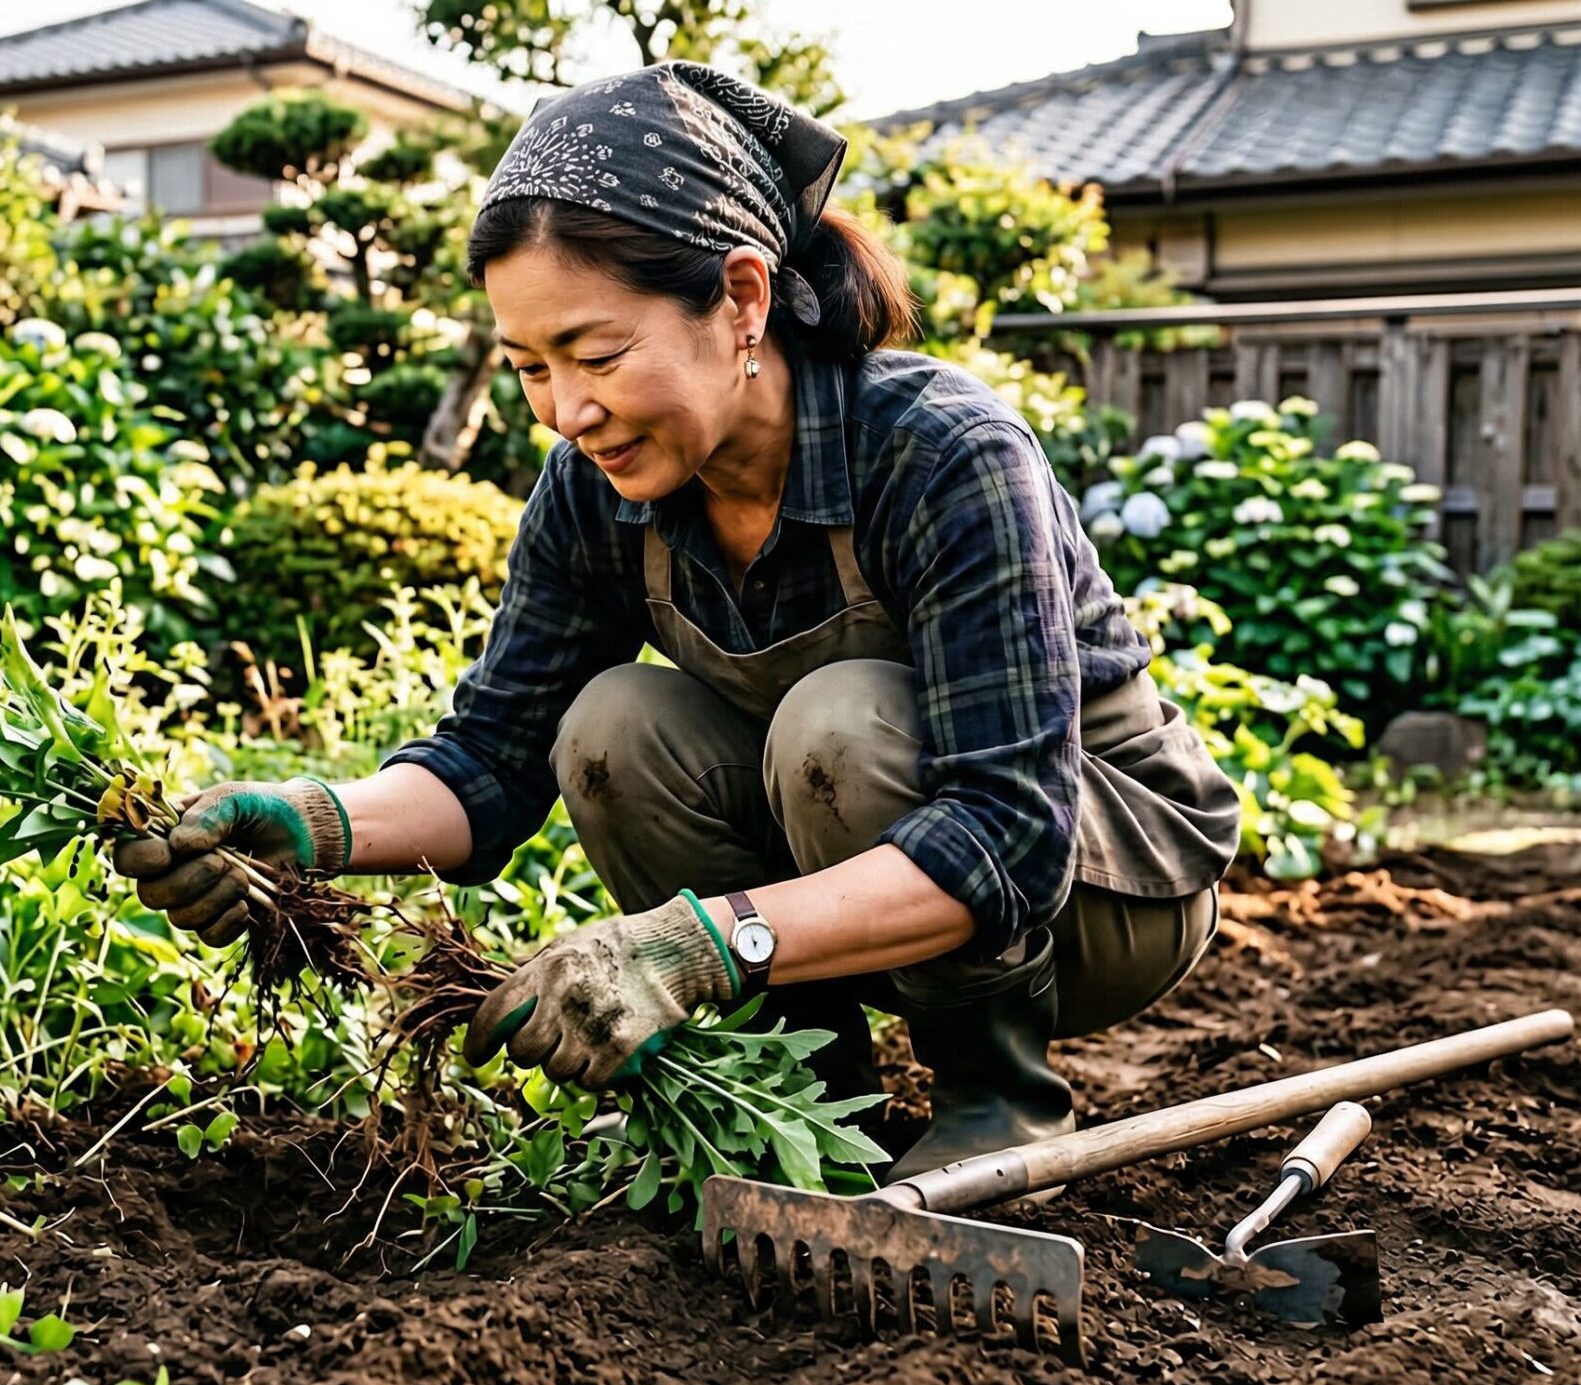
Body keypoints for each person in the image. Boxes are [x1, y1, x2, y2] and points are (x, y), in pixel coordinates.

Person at [114, 61, 1242, 1180]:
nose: (569, 411)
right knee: (613, 727)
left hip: (1100, 889)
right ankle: (812, 1111)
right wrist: (316, 823)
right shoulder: (599, 487)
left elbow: (1010, 832)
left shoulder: (940, 452)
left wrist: (695, 944)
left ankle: (995, 1100)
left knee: (838, 725)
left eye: (598, 355)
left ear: (743, 299)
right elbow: (492, 762)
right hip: (861, 874)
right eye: (529, 369)